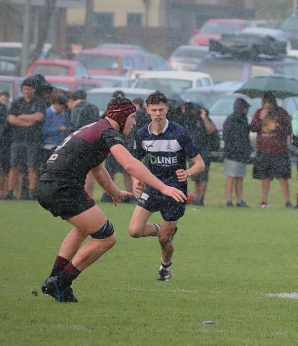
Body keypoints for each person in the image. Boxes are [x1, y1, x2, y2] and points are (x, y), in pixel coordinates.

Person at [37, 96, 187, 302]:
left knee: (84, 229)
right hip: (63, 188)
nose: (135, 122)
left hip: (48, 185)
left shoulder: (96, 128)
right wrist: (164, 187)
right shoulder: (108, 132)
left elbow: (97, 168)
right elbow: (131, 165)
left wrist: (114, 190)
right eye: (133, 117)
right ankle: (61, 281)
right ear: (122, 117)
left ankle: (55, 278)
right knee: (106, 237)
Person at [128, 91, 205, 282]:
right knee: (134, 231)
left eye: (161, 109)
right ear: (147, 110)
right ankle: (160, 228)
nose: (158, 114)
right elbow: (134, 163)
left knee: (164, 240)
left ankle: (165, 267)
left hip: (175, 191)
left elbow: (200, 164)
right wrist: (135, 179)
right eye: (153, 110)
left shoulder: (180, 133)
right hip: (153, 188)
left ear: (167, 109)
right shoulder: (141, 135)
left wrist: (187, 173)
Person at [251, 91, 293, 208]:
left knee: (283, 177)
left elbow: (288, 131)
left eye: (269, 102)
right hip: (263, 150)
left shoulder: (282, 113)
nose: (267, 105)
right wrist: (260, 119)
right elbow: (253, 128)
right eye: (265, 102)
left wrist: (278, 127)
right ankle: (264, 201)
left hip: (279, 150)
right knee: (265, 177)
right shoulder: (258, 113)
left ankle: (288, 201)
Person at [6, 79, 46, 200]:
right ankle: (10, 192)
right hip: (17, 139)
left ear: (34, 89)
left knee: (31, 166)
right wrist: (28, 122)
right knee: (14, 166)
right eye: (25, 89)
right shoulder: (17, 102)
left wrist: (22, 116)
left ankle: (31, 192)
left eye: (29, 88)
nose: (27, 91)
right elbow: (11, 119)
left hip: (33, 140)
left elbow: (39, 116)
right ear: (22, 90)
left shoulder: (39, 102)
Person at [180, 102, 216, 206]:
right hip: (193, 152)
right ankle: (196, 198)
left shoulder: (203, 120)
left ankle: (201, 198)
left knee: (203, 177)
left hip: (204, 150)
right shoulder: (190, 119)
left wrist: (204, 117)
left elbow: (211, 130)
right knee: (195, 176)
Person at [222, 98, 252, 208]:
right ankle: (229, 200)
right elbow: (227, 136)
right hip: (233, 154)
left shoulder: (243, 120)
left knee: (239, 177)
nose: (247, 110)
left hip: (241, 153)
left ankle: (239, 200)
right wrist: (234, 148)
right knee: (231, 177)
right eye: (246, 108)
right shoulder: (231, 120)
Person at [41, 94, 71, 163]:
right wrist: (58, 129)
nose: (62, 109)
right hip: (49, 146)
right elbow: (43, 130)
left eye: (64, 108)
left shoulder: (65, 114)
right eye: (61, 107)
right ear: (55, 104)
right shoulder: (47, 113)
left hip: (61, 145)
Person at [0, 93, 10, 198]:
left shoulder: (7, 112)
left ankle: (4, 192)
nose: (3, 102)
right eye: (2, 99)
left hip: (5, 144)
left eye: (5, 100)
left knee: (4, 169)